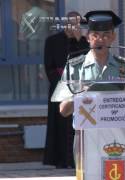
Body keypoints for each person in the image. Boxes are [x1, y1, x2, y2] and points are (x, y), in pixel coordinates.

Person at [57, 10, 125, 173]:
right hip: (86, 135)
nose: (101, 39)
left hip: (119, 136)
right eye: (96, 35)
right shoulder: (74, 67)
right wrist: (79, 95)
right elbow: (63, 110)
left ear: (113, 37)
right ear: (87, 37)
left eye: (106, 35)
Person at [43, 11, 89, 168]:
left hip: (80, 90)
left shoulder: (84, 41)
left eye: (77, 24)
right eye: (71, 23)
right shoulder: (52, 41)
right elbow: (49, 68)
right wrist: (63, 85)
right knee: (60, 126)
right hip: (59, 89)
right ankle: (61, 161)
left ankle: (78, 161)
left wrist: (79, 40)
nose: (74, 27)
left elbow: (88, 62)